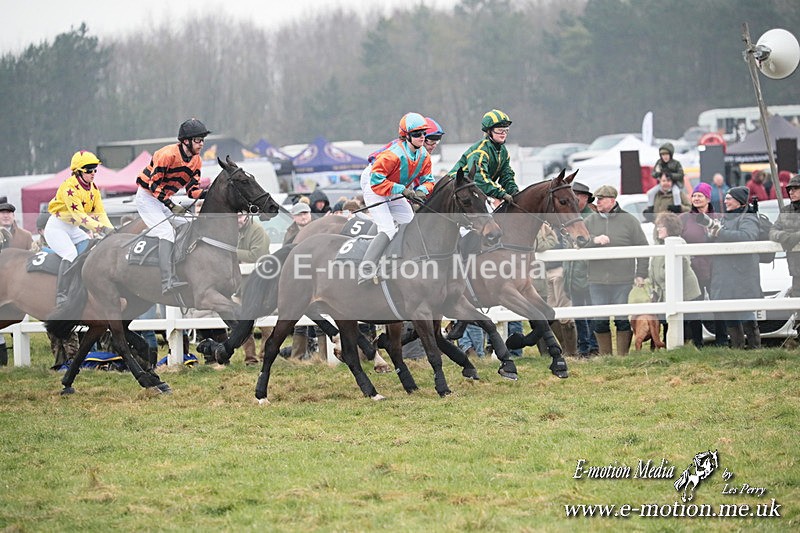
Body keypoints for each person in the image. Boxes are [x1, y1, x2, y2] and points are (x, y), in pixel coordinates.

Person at [135, 118, 209, 295]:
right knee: (166, 232)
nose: (201, 144)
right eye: (198, 140)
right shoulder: (166, 155)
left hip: (163, 199)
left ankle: (180, 266)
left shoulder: (196, 161)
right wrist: (170, 205)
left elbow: (192, 192)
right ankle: (166, 281)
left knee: (187, 224)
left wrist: (208, 193)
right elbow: (154, 186)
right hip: (147, 197)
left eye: (202, 140)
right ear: (186, 141)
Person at [359, 112, 434, 283]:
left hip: (393, 187)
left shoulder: (424, 156)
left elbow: (429, 180)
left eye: (424, 133)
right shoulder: (392, 155)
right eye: (417, 134)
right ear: (406, 136)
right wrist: (403, 189)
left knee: (412, 225)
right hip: (374, 185)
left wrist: (422, 190)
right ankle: (366, 270)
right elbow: (376, 182)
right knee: (388, 229)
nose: (422, 137)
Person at [584, 185, 649, 355]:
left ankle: (622, 356)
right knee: (600, 320)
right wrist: (594, 240)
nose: (597, 202)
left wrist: (641, 273)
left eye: (601, 199)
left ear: (612, 200)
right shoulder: (590, 221)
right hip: (596, 280)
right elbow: (577, 241)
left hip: (623, 279)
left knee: (621, 319)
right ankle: (606, 357)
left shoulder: (629, 221)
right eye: (597, 199)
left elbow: (643, 247)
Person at [43, 150, 114, 306]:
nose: (93, 173)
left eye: (95, 169)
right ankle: (61, 295)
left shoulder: (93, 189)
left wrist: (112, 230)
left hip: (73, 228)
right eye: (89, 170)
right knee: (70, 253)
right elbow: (79, 216)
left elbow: (100, 213)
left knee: (91, 249)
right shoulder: (69, 187)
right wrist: (102, 230)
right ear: (78, 171)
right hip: (57, 227)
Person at [706, 186, 762, 349]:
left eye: (729, 198)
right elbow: (718, 238)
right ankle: (737, 349)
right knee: (729, 313)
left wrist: (719, 233)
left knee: (745, 313)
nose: (725, 201)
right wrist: (710, 234)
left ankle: (754, 349)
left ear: (739, 201)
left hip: (741, 275)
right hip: (724, 275)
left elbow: (747, 236)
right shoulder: (724, 219)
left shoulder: (749, 218)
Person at [32, 212, 81, 368]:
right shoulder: (37, 246)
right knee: (53, 331)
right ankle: (59, 362)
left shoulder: (63, 241)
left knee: (68, 330)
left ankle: (73, 361)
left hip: (62, 287)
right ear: (40, 231)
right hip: (46, 290)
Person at [680, 182, 726, 347]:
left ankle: (722, 340)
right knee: (694, 305)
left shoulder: (719, 217)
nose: (696, 198)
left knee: (718, 304)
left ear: (707, 198)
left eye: (700, 195)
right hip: (693, 269)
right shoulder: (684, 218)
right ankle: (697, 342)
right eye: (694, 195)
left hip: (716, 268)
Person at [650, 212, 702, 346]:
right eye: (657, 226)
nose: (658, 229)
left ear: (670, 228)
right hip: (664, 292)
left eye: (661, 226)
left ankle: (696, 348)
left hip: (686, 292)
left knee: (690, 323)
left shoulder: (679, 244)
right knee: (669, 322)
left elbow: (680, 268)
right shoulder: (658, 245)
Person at [449, 109, 518, 203]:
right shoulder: (480, 151)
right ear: (489, 131)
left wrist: (515, 192)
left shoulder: (503, 152)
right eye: (499, 130)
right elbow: (480, 179)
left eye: (506, 130)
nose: (503, 134)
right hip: (454, 190)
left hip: (474, 190)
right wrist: (501, 194)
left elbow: (506, 175)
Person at [563, 182, 599, 357]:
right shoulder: (570, 217)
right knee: (579, 312)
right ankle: (583, 345)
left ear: (585, 198)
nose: (575, 200)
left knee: (590, 312)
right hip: (573, 273)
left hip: (587, 272)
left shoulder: (591, 218)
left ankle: (591, 346)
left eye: (578, 197)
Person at [236, 213, 272, 366]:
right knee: (243, 321)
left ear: (247, 216)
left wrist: (233, 253)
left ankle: (266, 355)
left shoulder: (257, 230)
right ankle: (250, 358)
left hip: (261, 283)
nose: (237, 219)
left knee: (265, 322)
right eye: (235, 216)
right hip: (241, 284)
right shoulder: (231, 231)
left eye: (240, 216)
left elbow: (256, 255)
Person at [536, 223, 577, 356]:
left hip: (558, 270)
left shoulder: (558, 228)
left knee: (564, 311)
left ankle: (571, 351)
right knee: (551, 311)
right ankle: (564, 347)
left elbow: (549, 245)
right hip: (543, 271)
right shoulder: (539, 226)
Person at [769, 174, 800, 298]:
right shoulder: (786, 210)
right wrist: (784, 237)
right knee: (797, 305)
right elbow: (773, 230)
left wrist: (796, 236)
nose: (791, 192)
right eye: (789, 189)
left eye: (795, 189)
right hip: (795, 267)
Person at [647, 142, 685, 210]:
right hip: (662, 184)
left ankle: (677, 207)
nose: (665, 157)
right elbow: (653, 173)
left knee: (676, 193)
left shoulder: (676, 163)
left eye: (667, 155)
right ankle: (650, 207)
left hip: (674, 183)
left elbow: (681, 175)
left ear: (670, 155)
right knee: (650, 193)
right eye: (663, 155)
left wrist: (671, 175)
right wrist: (658, 174)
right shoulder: (659, 163)